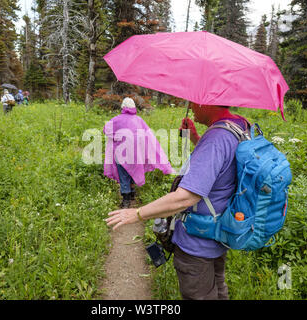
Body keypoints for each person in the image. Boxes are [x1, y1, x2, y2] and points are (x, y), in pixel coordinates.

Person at [105, 102, 250, 300]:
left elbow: (186, 197)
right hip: (219, 231)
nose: (191, 107)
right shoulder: (239, 125)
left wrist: (137, 213)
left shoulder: (216, 138)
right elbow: (222, 165)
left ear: (208, 102)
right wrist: (195, 138)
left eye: (195, 102)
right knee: (218, 287)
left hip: (198, 241)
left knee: (200, 294)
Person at [103, 97, 173, 208]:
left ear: (123, 107)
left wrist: (116, 137)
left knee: (124, 174)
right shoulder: (139, 120)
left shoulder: (116, 119)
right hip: (136, 154)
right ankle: (132, 193)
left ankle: (126, 199)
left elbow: (106, 130)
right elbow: (147, 135)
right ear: (134, 107)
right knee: (133, 170)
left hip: (121, 153)